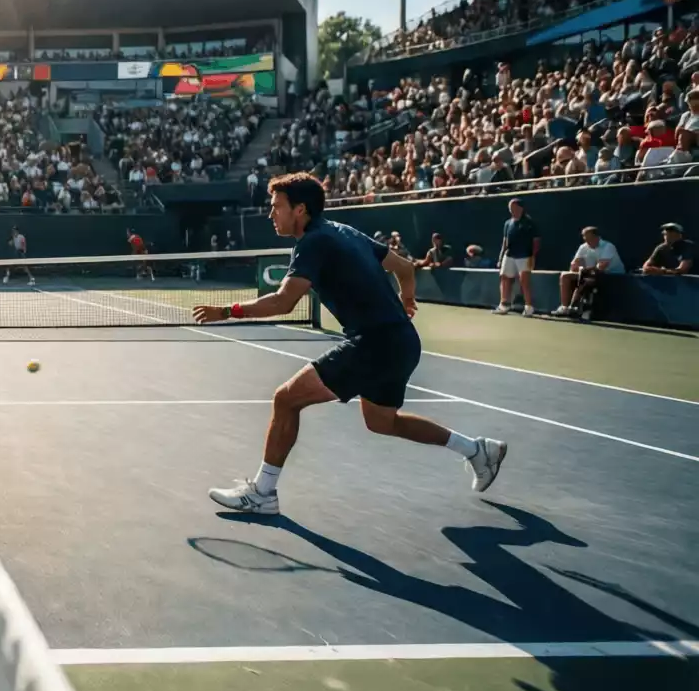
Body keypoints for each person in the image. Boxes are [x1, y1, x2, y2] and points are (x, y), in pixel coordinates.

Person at [190, 173, 507, 516]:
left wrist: (227, 310)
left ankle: (263, 493)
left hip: (374, 343)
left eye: (276, 207)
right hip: (401, 341)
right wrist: (408, 299)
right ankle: (477, 450)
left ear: (300, 209)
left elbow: (283, 303)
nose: (271, 215)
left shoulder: (313, 242)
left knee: (286, 399)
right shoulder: (345, 231)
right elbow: (403, 267)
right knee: (382, 422)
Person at [555, 226, 623, 318]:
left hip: (612, 275)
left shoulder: (608, 246)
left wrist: (583, 270)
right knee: (565, 276)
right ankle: (565, 307)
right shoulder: (583, 247)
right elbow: (574, 265)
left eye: (589, 238)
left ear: (597, 237)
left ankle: (581, 309)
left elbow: (601, 267)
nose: (586, 240)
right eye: (584, 238)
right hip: (589, 274)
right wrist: (579, 268)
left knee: (587, 278)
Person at [495, 198, 540, 317]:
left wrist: (533, 257)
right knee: (504, 278)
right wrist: (500, 258)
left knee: (524, 281)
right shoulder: (507, 223)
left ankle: (529, 307)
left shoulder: (529, 223)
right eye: (510, 208)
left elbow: (536, 242)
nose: (511, 210)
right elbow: (505, 242)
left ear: (521, 208)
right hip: (509, 255)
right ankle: (504, 305)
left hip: (525, 256)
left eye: (514, 207)